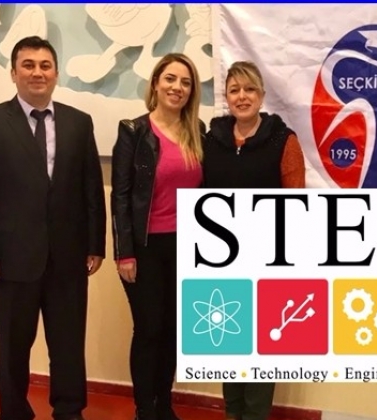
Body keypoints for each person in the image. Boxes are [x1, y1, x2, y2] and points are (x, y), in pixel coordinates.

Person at [0, 36, 106, 420]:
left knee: (68, 345)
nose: (37, 72)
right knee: (12, 348)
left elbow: (91, 189)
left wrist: (95, 244)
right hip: (10, 262)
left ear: (56, 73)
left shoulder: (79, 123)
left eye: (45, 65)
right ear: (13, 73)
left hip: (68, 258)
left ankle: (69, 411)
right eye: (28, 65)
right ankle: (14, 412)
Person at [203, 61, 305, 420]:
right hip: (220, 262)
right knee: (227, 341)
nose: (242, 97)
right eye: (234, 90)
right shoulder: (211, 141)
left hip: (267, 262)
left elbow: (296, 207)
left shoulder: (283, 140)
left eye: (249, 89)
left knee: (262, 348)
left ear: (261, 96)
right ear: (226, 97)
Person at [111, 53, 205, 420]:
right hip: (145, 247)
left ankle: (164, 405)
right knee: (149, 329)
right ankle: (144, 410)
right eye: (170, 79)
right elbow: (121, 196)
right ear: (155, 83)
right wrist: (124, 253)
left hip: (186, 247)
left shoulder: (199, 132)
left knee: (173, 330)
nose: (177, 87)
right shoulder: (134, 132)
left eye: (185, 82)